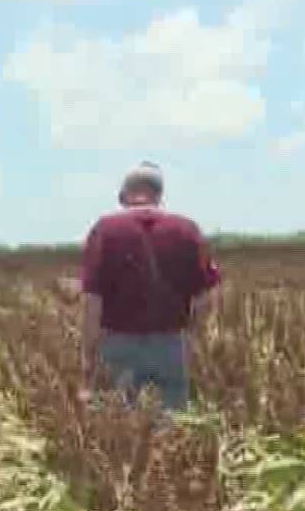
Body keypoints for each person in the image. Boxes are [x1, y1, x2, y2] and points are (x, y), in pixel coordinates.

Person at [77, 161, 221, 412]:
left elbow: (93, 301)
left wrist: (88, 359)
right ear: (159, 195)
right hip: (170, 345)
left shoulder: (106, 228)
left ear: (124, 195)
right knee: (174, 428)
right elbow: (204, 298)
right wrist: (191, 340)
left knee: (116, 426)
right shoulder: (186, 229)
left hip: (118, 344)